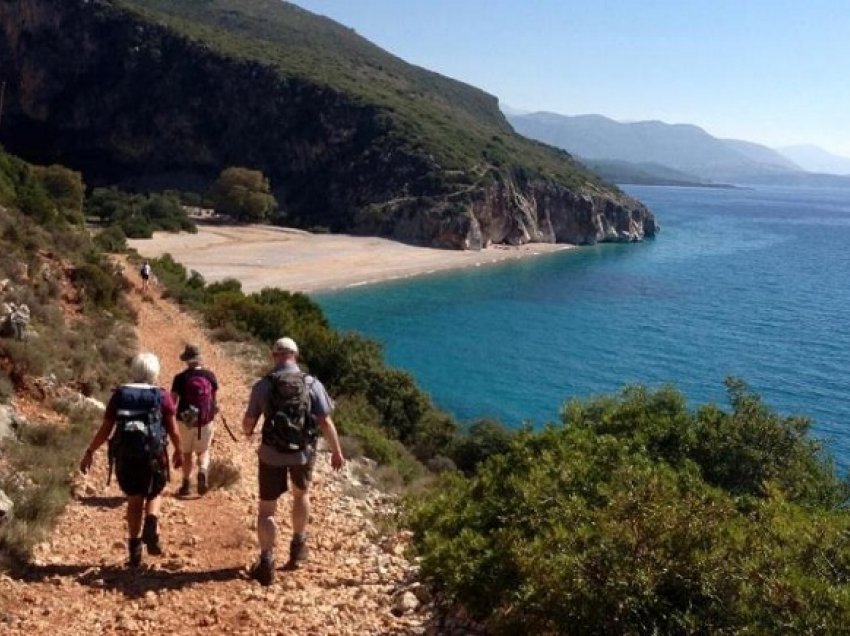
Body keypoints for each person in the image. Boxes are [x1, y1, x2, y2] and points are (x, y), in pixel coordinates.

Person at [242, 337, 345, 585]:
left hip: (270, 453)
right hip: (302, 452)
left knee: (267, 509)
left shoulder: (262, 386)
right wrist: (336, 451)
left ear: (274, 356)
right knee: (301, 495)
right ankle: (298, 548)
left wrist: (248, 433)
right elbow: (325, 421)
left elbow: (248, 422)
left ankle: (266, 561)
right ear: (295, 356)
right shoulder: (311, 383)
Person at [79, 352, 182, 567]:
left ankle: (134, 551)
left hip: (126, 456)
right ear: (154, 372)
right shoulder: (162, 396)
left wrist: (90, 450)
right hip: (153, 455)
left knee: (134, 500)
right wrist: (179, 451)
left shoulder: (120, 395)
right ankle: (151, 522)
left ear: (134, 370)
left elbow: (106, 429)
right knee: (154, 491)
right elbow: (173, 430)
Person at [171, 343, 219, 497]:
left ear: (187, 360)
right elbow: (214, 401)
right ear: (199, 359)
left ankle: (186, 484)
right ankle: (203, 471)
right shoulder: (210, 376)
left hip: (186, 420)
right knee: (203, 450)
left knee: (186, 453)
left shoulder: (180, 378)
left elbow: (173, 402)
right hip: (204, 420)